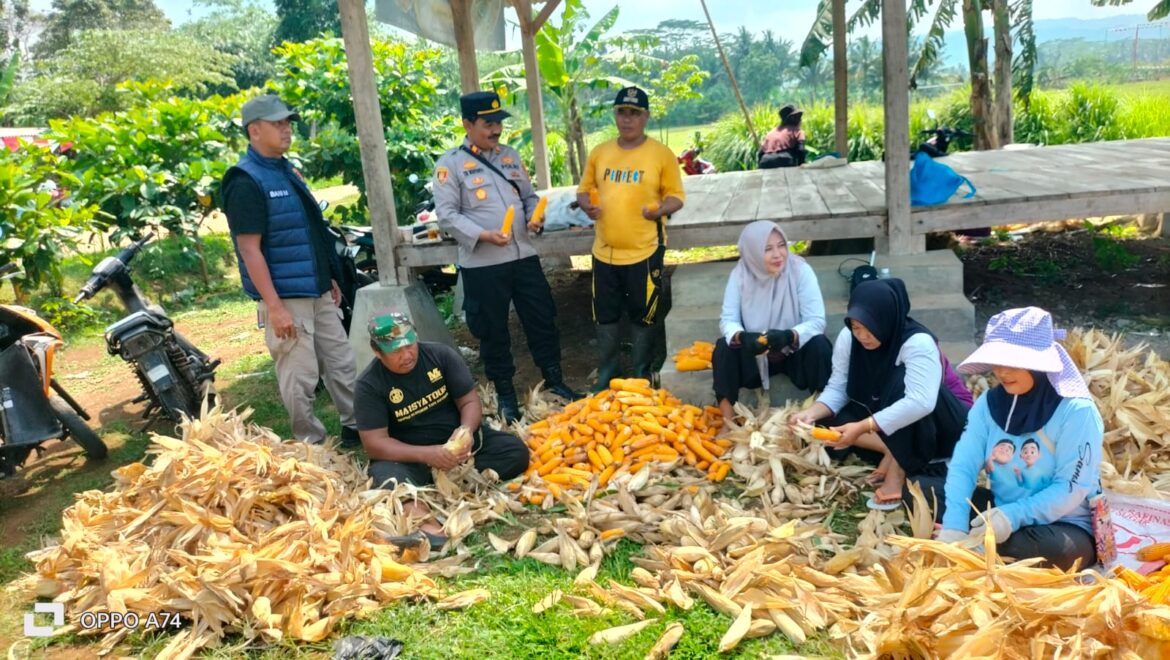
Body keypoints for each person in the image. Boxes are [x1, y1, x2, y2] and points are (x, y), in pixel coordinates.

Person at [433, 91, 580, 423]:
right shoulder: (450, 166)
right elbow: (447, 216)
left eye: (498, 122)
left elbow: (528, 198)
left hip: (523, 256)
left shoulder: (510, 157)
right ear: (467, 124)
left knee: (542, 319)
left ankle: (555, 382)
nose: (496, 130)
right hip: (484, 265)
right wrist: (483, 235)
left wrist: (535, 216)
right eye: (488, 124)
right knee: (493, 331)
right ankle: (506, 395)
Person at [222, 94, 358, 446]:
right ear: (254, 131)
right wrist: (276, 307)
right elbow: (250, 250)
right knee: (300, 374)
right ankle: (310, 443)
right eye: (277, 124)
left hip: (316, 290)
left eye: (287, 123)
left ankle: (357, 427)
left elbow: (308, 231)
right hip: (285, 296)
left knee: (341, 363)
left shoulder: (285, 170)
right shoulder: (245, 181)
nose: (286, 130)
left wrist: (327, 276)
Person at [928, 307, 1102, 571]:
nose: (1002, 372)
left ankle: (975, 547)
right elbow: (964, 464)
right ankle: (969, 542)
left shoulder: (1076, 411)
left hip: (1063, 525)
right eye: (997, 362)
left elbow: (1070, 488)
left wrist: (1011, 517)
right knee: (921, 488)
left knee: (1058, 552)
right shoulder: (989, 404)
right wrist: (954, 524)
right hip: (999, 509)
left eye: (1012, 363)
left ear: (1039, 364)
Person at [354, 310, 530, 548]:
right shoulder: (369, 385)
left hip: (458, 446)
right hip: (412, 457)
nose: (406, 355)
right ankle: (428, 528)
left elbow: (469, 401)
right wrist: (427, 454)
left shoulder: (441, 355)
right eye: (395, 350)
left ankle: (451, 481)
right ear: (377, 351)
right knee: (387, 477)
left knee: (514, 452)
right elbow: (374, 443)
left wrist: (466, 431)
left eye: (409, 345)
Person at [789, 278, 971, 506]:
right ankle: (892, 449)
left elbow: (921, 402)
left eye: (869, 329)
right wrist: (812, 413)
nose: (862, 336)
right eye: (856, 328)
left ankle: (897, 466)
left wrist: (863, 427)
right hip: (890, 417)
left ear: (886, 320)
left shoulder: (917, 343)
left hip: (944, 421)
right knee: (826, 427)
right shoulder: (850, 338)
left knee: (901, 382)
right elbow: (838, 387)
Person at [576, 86, 686, 391]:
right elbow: (583, 190)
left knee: (644, 313)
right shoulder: (600, 152)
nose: (627, 119)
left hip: (645, 250)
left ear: (646, 117)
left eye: (634, 114)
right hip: (604, 252)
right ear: (615, 115)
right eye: (622, 112)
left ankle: (640, 371)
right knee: (605, 314)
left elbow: (677, 197)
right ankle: (607, 372)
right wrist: (587, 204)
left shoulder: (661, 155)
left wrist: (659, 210)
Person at [714, 221, 832, 421]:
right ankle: (728, 420)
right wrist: (742, 337)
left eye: (782, 245)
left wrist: (790, 335)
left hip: (793, 352)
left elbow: (816, 320)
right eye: (768, 249)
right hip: (755, 355)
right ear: (752, 252)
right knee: (723, 348)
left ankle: (822, 416)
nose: (778, 254)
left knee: (820, 345)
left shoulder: (800, 270)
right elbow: (728, 320)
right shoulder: (740, 275)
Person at [758, 104, 807, 169]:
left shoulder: (771, 132)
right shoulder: (797, 131)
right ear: (794, 118)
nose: (800, 120)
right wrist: (801, 166)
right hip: (784, 160)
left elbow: (760, 153)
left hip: (765, 161)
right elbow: (801, 150)